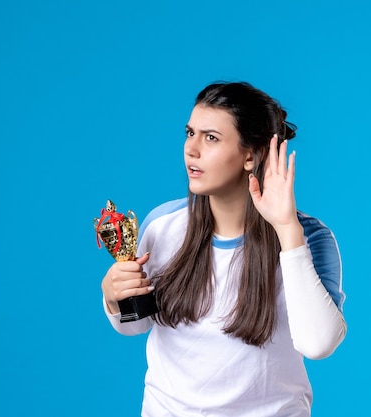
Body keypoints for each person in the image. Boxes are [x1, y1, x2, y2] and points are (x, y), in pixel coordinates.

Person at [101, 81, 347, 417]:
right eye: (190, 133)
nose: (192, 149)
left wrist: (287, 228)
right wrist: (114, 296)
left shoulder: (310, 239)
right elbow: (133, 325)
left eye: (211, 138)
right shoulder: (162, 226)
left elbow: (318, 344)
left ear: (251, 155)